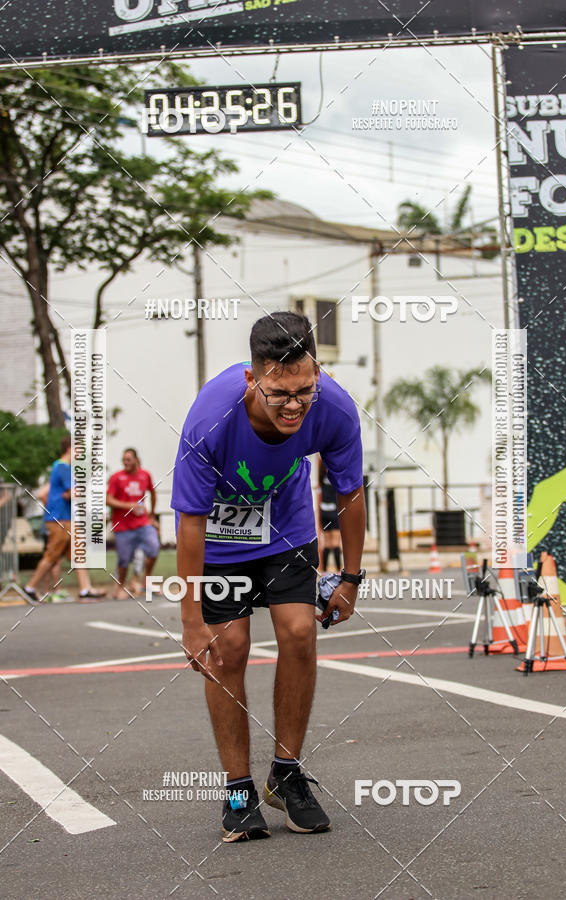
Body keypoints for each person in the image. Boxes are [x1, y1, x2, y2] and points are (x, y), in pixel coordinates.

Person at [172, 311, 366, 843]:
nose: (294, 405)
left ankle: (286, 774)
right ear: (251, 379)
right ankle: (238, 791)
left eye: (304, 389)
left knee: (301, 632)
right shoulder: (209, 418)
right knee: (229, 649)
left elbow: (349, 492)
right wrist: (190, 620)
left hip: (285, 530)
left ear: (317, 373)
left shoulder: (334, 407)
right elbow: (188, 523)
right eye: (279, 394)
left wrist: (350, 577)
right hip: (219, 541)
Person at [23, 436, 106, 602]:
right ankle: (30, 587)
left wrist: (71, 494)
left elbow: (70, 493)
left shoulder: (63, 467)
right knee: (52, 555)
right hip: (59, 519)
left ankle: (85, 590)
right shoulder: (63, 468)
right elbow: (75, 493)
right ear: (70, 448)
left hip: (67, 517)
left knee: (78, 553)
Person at [107, 448, 159, 600]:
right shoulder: (117, 477)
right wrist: (129, 505)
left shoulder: (145, 475)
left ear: (136, 459)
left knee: (154, 547)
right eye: (123, 460)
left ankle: (145, 581)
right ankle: (120, 587)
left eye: (128, 459)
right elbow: (108, 499)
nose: (125, 462)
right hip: (122, 526)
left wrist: (151, 514)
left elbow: (153, 492)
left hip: (142, 523)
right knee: (124, 559)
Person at [318, 458, 343, 573]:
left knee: (327, 543)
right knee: (335, 542)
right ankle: (338, 570)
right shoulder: (335, 477)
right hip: (333, 511)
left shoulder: (321, 477)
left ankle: (324, 571)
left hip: (324, 512)